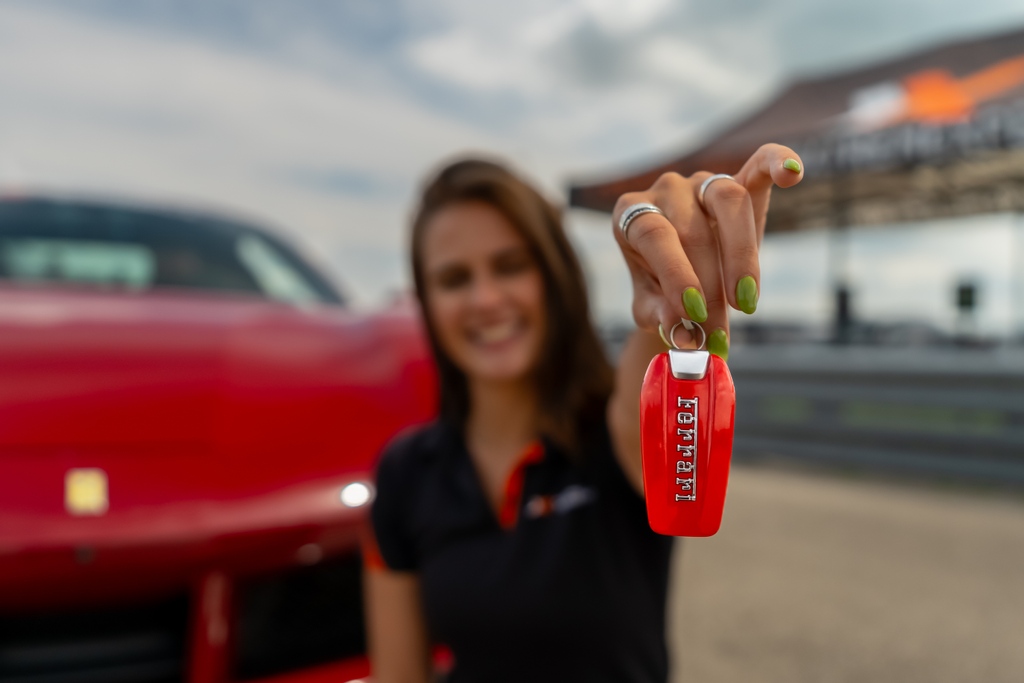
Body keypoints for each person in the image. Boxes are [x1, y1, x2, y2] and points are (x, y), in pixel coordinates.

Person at [364, 146, 804, 682]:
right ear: (426, 301)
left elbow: (647, 399)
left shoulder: (612, 432)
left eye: (511, 265)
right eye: (454, 279)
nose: (485, 298)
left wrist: (670, 281)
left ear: (556, 276)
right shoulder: (406, 471)